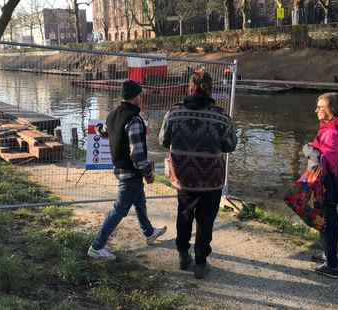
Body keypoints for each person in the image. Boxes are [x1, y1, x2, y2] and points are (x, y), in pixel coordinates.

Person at [159, 69, 237, 279]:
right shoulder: (221, 117)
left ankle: (183, 255)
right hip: (211, 180)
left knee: (184, 216)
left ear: (189, 88)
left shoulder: (173, 113)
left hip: (183, 178)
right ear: (211, 90)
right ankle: (201, 263)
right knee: (205, 221)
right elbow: (230, 145)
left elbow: (163, 141)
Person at [88, 80, 167, 260]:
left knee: (139, 202)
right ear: (136, 97)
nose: (142, 98)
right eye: (140, 95)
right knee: (119, 210)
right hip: (130, 172)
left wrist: (99, 128)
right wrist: (148, 173)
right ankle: (96, 246)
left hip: (121, 169)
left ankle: (149, 232)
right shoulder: (134, 119)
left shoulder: (112, 115)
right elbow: (137, 154)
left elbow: (103, 132)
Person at [307, 92, 338, 279]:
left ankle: (331, 265)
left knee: (328, 222)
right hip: (330, 183)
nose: (316, 110)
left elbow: (326, 162)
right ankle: (327, 254)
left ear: (332, 110)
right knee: (325, 219)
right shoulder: (331, 128)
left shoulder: (333, 132)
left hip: (328, 184)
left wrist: (309, 150)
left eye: (321, 107)